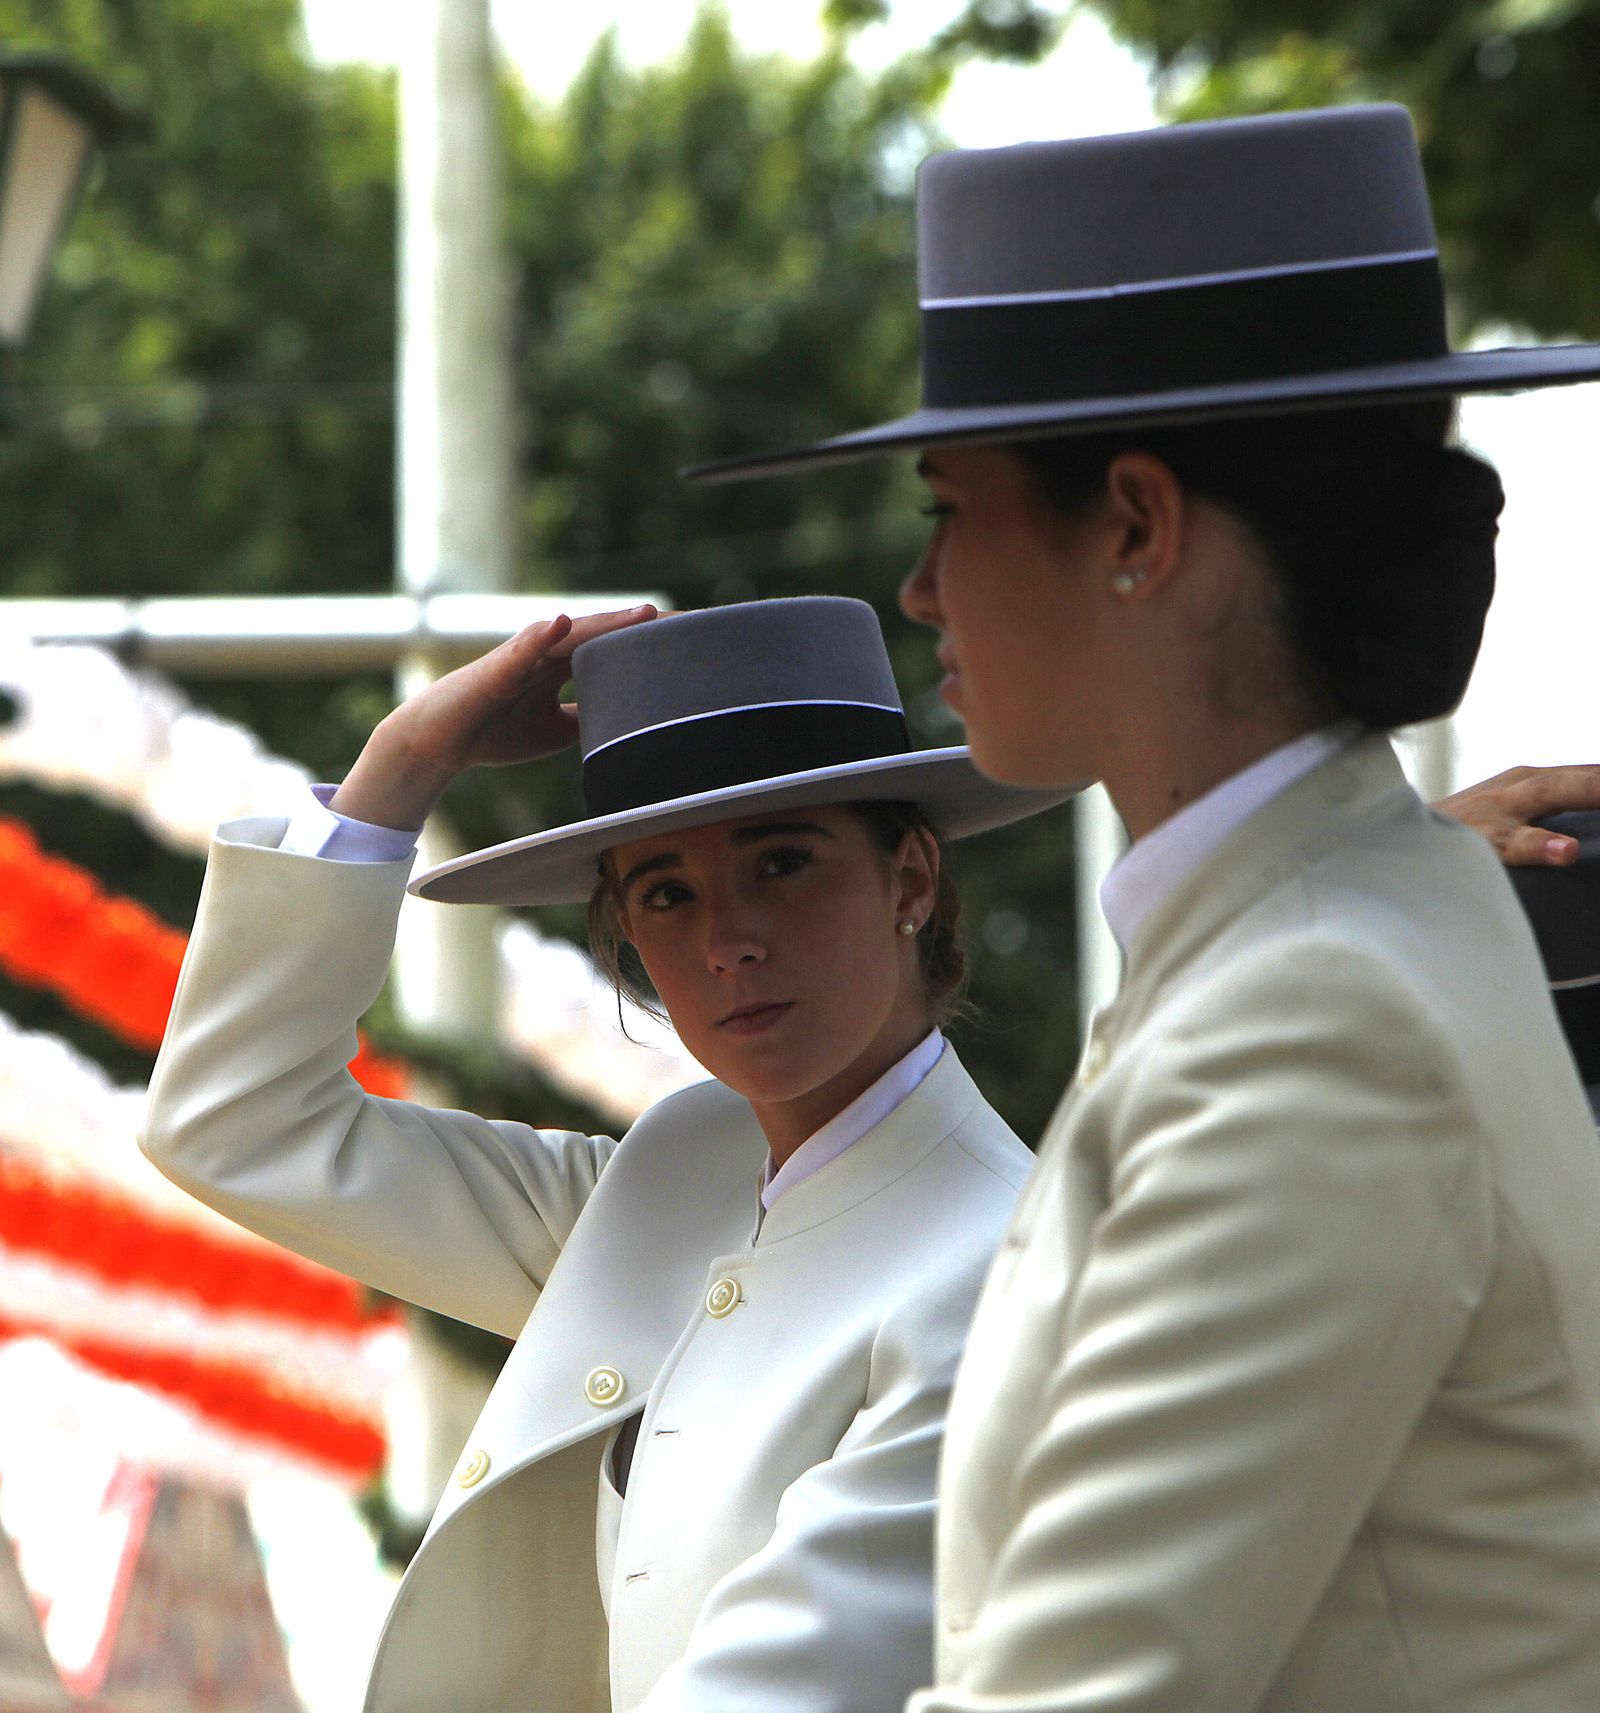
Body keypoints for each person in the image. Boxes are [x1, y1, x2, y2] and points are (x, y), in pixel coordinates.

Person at [688, 106, 1600, 1710]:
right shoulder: (1331, 931)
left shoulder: (1312, 1015)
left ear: (1133, 525)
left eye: (948, 508)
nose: (922, 589)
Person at [138, 595, 1077, 1713]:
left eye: (781, 863)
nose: (727, 941)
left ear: (911, 879)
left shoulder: (995, 1274)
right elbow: (235, 1120)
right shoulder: (672, 1180)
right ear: (626, 932)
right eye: (666, 893)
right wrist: (403, 765)